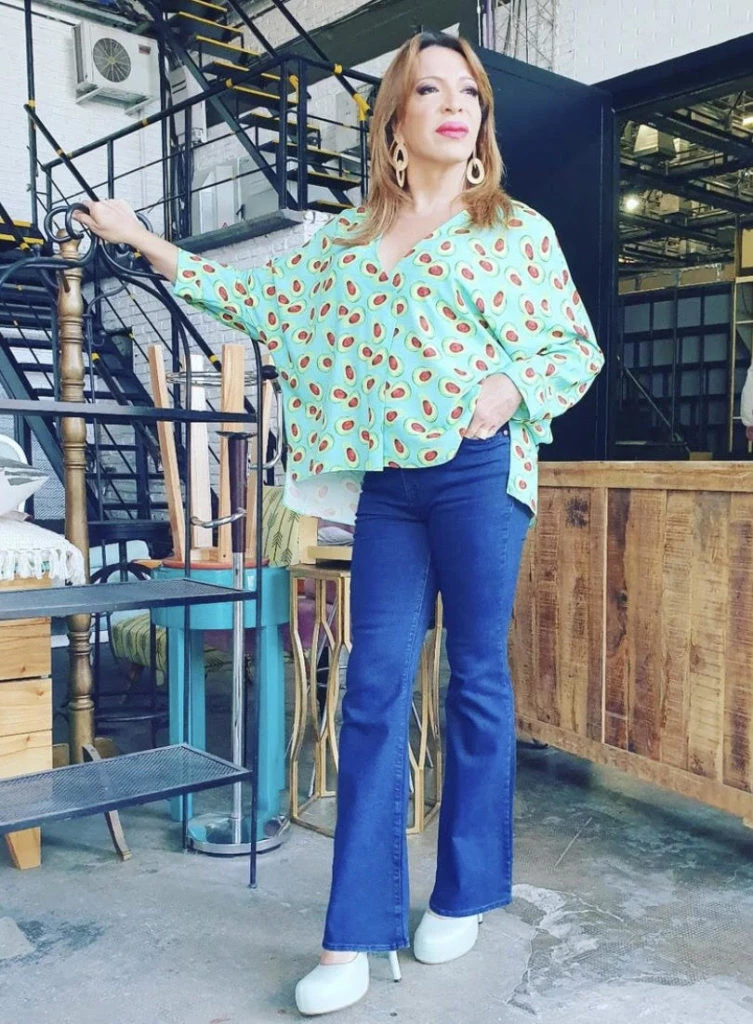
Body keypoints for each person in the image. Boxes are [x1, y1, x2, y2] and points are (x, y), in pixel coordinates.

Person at [75, 29, 604, 1018]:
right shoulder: (341, 244)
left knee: (475, 679)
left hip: (478, 472)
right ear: (395, 120)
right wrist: (141, 237)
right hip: (389, 489)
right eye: (431, 91)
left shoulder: (513, 230)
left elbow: (571, 347)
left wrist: (508, 386)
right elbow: (245, 297)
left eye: (469, 93)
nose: (456, 106)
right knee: (372, 690)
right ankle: (351, 932)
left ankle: (464, 891)